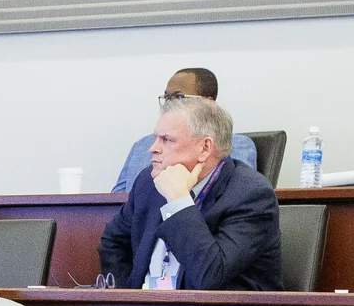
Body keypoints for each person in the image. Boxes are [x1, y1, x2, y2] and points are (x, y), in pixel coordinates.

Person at [96, 94, 284, 290]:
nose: (153, 149)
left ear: (205, 148)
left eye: (166, 140)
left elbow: (210, 276)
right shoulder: (148, 182)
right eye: (155, 138)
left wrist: (178, 201)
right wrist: (131, 301)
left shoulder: (250, 195)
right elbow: (113, 242)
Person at [111, 68, 259, 190]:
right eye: (166, 97)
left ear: (208, 103)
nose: (169, 104)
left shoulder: (237, 145)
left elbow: (234, 192)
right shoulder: (142, 145)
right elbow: (114, 202)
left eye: (178, 97)